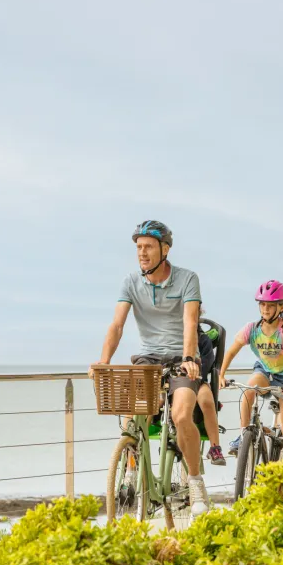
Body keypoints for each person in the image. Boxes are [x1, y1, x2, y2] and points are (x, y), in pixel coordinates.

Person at [87, 220, 210, 516]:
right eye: (138, 247)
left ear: (164, 249)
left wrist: (190, 358)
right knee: (135, 412)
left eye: (148, 247)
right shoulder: (130, 282)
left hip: (181, 359)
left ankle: (194, 480)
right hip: (147, 359)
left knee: (181, 415)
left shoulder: (187, 279)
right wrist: (103, 361)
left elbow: (190, 322)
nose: (142, 253)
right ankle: (131, 467)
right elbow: (117, 325)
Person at [218, 280, 283, 458]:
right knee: (250, 388)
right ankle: (244, 434)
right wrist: (222, 374)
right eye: (262, 304)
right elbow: (231, 352)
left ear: (281, 307)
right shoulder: (252, 329)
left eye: (270, 305)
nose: (265, 309)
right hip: (265, 371)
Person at [195, 308, 225, 465]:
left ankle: (215, 447)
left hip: (198, 380)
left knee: (207, 401)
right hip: (169, 380)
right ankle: (134, 442)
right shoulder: (168, 338)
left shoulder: (203, 339)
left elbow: (207, 365)